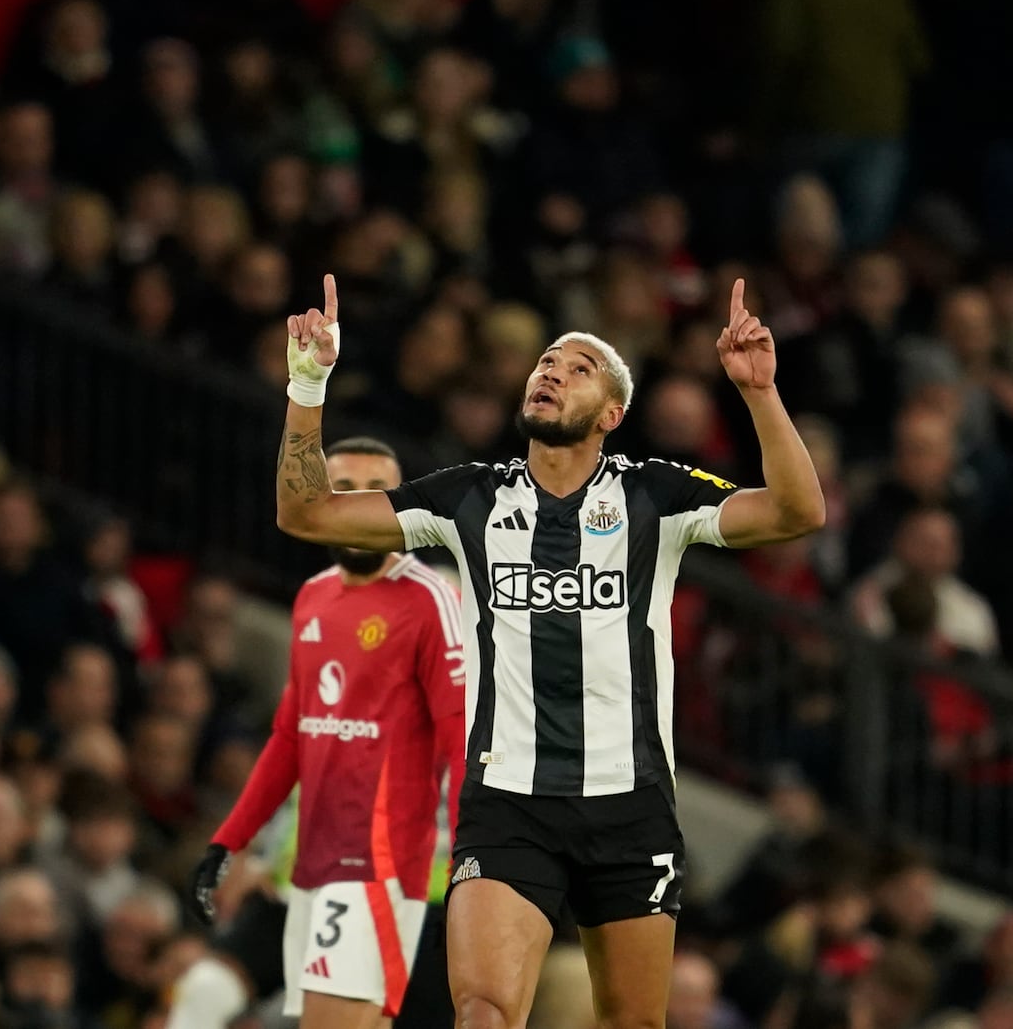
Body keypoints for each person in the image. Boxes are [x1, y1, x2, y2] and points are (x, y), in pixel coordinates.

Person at [271, 275, 825, 1029]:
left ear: (612, 414)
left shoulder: (653, 497)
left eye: (578, 366)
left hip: (630, 806)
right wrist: (308, 383)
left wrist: (760, 393)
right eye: (546, 363)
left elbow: (798, 510)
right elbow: (306, 512)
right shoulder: (469, 497)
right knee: (486, 1012)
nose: (551, 371)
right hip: (508, 804)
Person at [181, 436, 466, 1029]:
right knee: (210, 994)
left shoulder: (436, 600)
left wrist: (477, 866)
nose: (357, 505)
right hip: (305, 868)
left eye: (374, 492)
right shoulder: (314, 599)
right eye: (343, 490)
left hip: (394, 874)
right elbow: (296, 739)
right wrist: (234, 843)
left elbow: (461, 742)